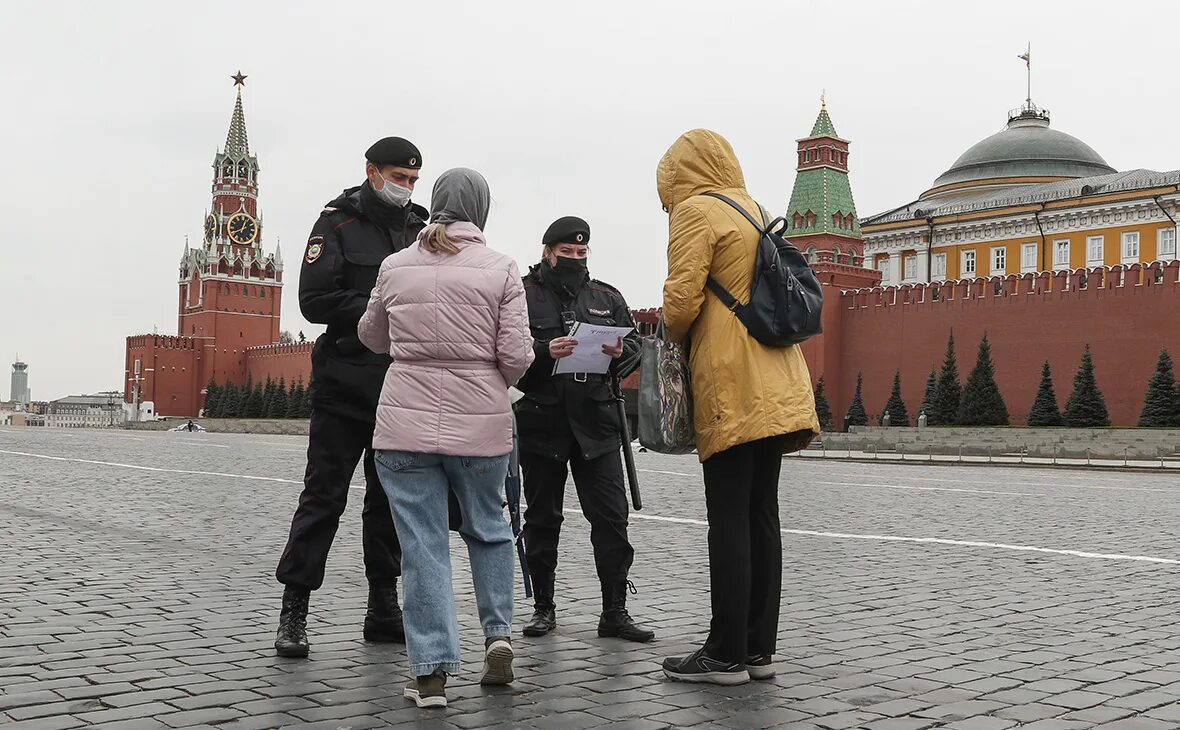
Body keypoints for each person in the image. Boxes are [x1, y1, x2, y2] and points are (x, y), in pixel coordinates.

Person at [359, 168, 533, 709]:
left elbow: (372, 335)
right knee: (489, 529)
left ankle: (430, 673)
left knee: (422, 545)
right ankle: (498, 635)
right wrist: (486, 380)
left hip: (404, 424)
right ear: (480, 209)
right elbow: (518, 357)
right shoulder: (502, 269)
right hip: (480, 427)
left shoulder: (395, 266)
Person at [656, 129, 820, 685]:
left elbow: (682, 298)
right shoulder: (753, 208)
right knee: (760, 514)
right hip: (778, 377)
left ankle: (723, 652)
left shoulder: (696, 212)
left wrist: (669, 337)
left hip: (732, 378)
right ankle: (755, 648)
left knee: (727, 517)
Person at [273, 137, 428, 658]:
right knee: (324, 498)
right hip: (344, 383)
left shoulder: (420, 230)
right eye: (397, 178)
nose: (405, 188)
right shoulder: (335, 223)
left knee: (389, 504)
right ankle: (294, 610)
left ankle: (383, 608)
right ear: (371, 171)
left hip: (400, 388)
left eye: (412, 181)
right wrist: (382, 305)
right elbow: (314, 299)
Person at [514, 216, 654, 643]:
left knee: (612, 520)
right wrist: (543, 350)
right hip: (543, 420)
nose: (575, 259)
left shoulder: (606, 297)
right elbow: (506, 347)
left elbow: (632, 348)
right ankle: (543, 609)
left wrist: (620, 352)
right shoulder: (521, 293)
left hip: (597, 423)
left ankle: (615, 610)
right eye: (566, 253)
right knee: (541, 520)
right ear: (547, 252)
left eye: (581, 253)